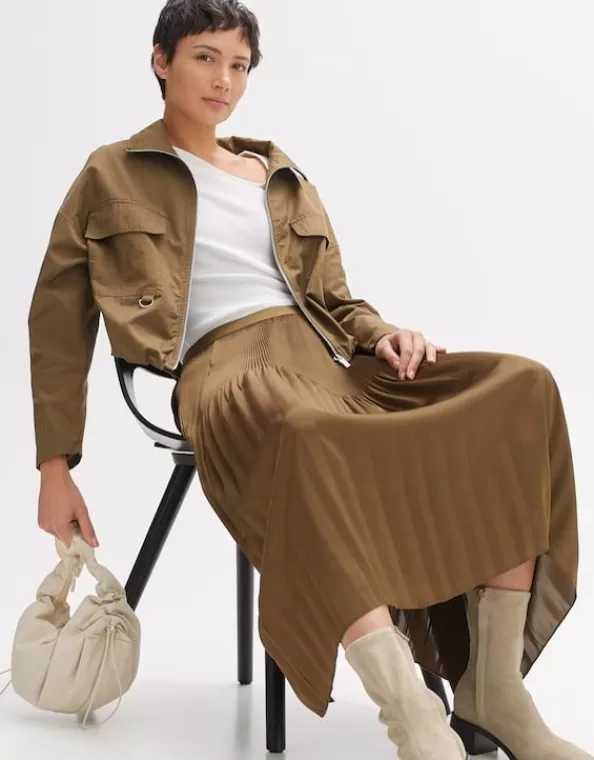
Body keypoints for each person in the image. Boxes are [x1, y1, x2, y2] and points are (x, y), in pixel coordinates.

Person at [28, 1, 590, 758]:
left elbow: (333, 298)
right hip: (224, 372)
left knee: (521, 387)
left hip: (326, 364)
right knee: (310, 433)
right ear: (161, 60)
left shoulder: (278, 173)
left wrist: (382, 333)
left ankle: (495, 689)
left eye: (239, 65)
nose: (224, 80)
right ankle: (412, 716)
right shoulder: (110, 172)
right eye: (204, 58)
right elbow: (57, 319)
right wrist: (55, 465)